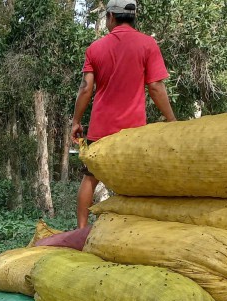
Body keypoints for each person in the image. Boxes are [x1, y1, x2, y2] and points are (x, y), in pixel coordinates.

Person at [71, 0, 176, 229]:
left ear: (110, 17)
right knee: (135, 179)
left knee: (90, 177)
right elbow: (156, 87)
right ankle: (132, 229)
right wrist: (172, 122)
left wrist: (76, 121)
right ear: (133, 17)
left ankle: (80, 230)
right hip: (133, 131)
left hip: (101, 128)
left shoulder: (95, 48)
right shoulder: (147, 44)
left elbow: (86, 88)